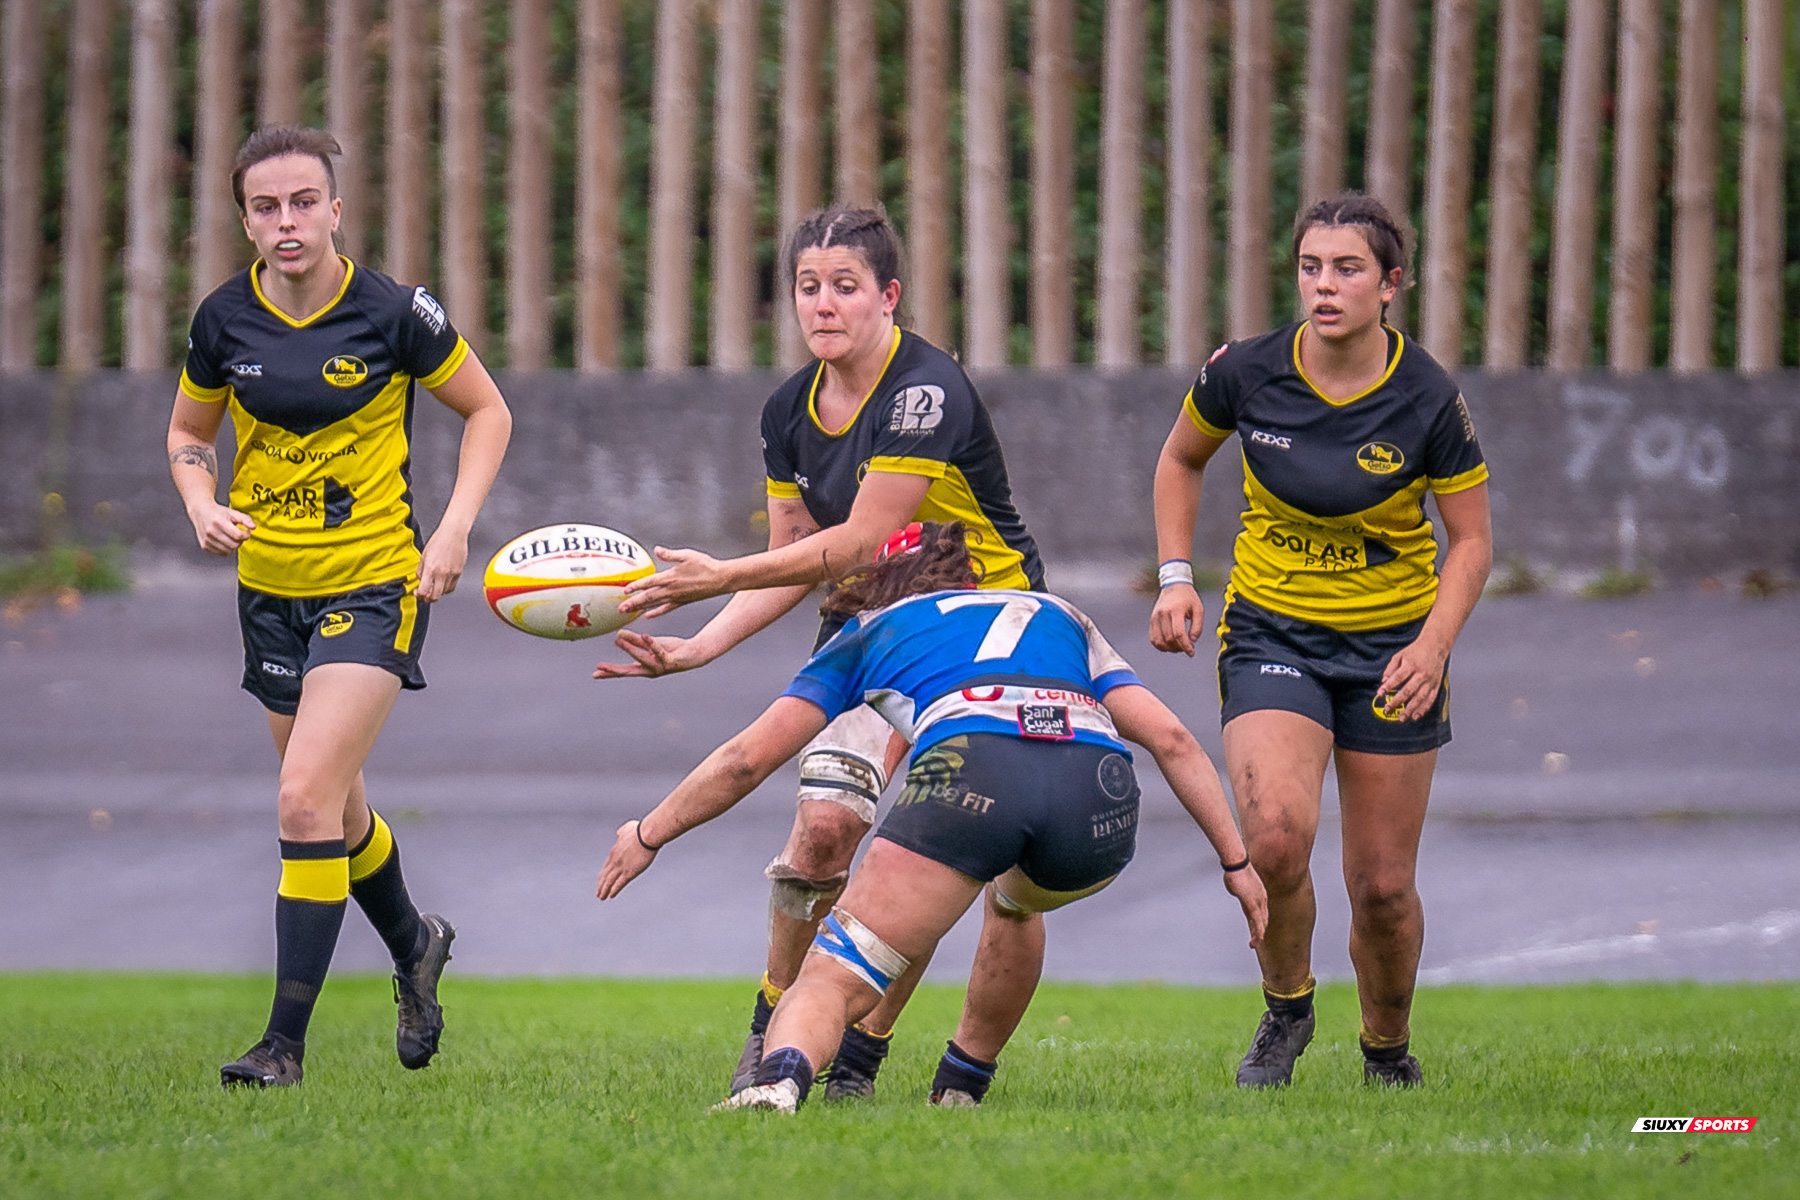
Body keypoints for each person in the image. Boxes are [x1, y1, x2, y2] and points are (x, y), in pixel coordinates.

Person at [593, 207, 1047, 1099]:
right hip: (868, 628)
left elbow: (862, 534)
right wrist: (703, 647)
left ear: (889, 297)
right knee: (825, 830)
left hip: (979, 639)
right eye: (809, 286)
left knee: (930, 849)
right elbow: (799, 553)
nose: (824, 304)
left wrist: (714, 574)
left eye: (846, 286)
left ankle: (858, 1058)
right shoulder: (787, 412)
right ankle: (774, 1022)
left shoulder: (926, 389)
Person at [597, 522, 1267, 1112]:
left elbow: (747, 759)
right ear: (969, 577)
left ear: (879, 585)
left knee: (833, 974)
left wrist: (648, 832)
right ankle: (961, 1086)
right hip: (1099, 803)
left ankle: (775, 1083)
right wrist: (1236, 863)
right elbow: (1174, 741)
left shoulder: (871, 630)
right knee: (1013, 902)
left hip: (974, 778)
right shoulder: (1057, 612)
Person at [166, 126, 512, 1088]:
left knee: (302, 798)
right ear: (245, 217)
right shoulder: (223, 319)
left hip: (373, 586)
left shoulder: (396, 313)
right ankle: (415, 942)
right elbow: (190, 430)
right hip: (267, 595)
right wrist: (199, 499)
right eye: (267, 207)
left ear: (336, 208)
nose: (287, 223)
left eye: (303, 202)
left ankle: (282, 1046)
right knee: (336, 809)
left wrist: (452, 532)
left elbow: (489, 411)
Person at [1148, 192, 1492, 1088]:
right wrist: (1177, 576)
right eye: (1311, 267)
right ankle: (1287, 1009)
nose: (1325, 285)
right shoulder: (1248, 371)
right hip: (1273, 630)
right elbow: (1182, 458)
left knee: (1381, 888)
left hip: (1392, 652)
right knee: (1275, 836)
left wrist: (1434, 646)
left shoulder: (1425, 396)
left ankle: (1387, 1052)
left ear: (1391, 286)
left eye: (1347, 269)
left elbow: (1473, 543)